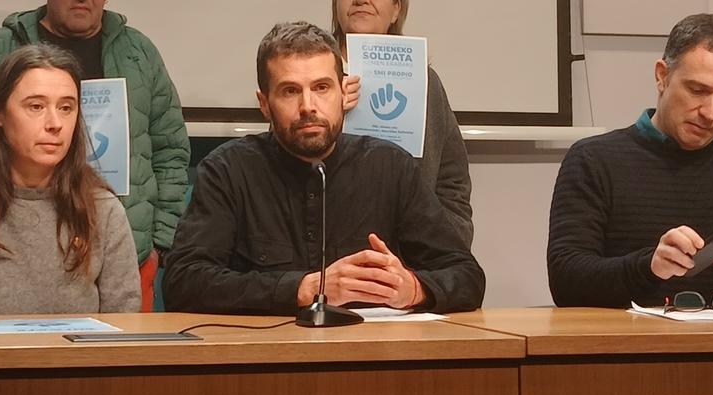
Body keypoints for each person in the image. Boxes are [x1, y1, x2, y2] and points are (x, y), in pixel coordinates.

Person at [162, 22, 485, 315]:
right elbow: (183, 282)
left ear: (343, 92)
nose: (308, 107)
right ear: (264, 103)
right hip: (266, 362)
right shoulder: (228, 171)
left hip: (372, 358)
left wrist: (414, 289)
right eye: (290, 91)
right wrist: (304, 289)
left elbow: (467, 276)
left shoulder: (391, 167)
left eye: (321, 87)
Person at [0, 0, 189, 289]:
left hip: (128, 249)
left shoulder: (139, 53)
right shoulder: (1, 49)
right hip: (13, 251)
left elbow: (171, 151)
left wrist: (159, 243)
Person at [547, 13, 713, 308]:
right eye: (698, 90)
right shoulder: (593, 159)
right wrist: (649, 265)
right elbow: (566, 282)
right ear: (662, 76)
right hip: (622, 346)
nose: (711, 113)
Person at [330, 0, 474, 247]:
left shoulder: (426, 83)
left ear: (395, 10)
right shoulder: (309, 77)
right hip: (326, 249)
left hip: (408, 257)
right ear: (337, 6)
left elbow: (452, 178)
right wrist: (329, 115)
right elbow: (276, 160)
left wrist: (446, 241)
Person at [0, 45, 140, 313]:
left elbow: (123, 321)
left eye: (66, 107)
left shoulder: (102, 207)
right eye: (36, 106)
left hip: (83, 355)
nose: (55, 123)